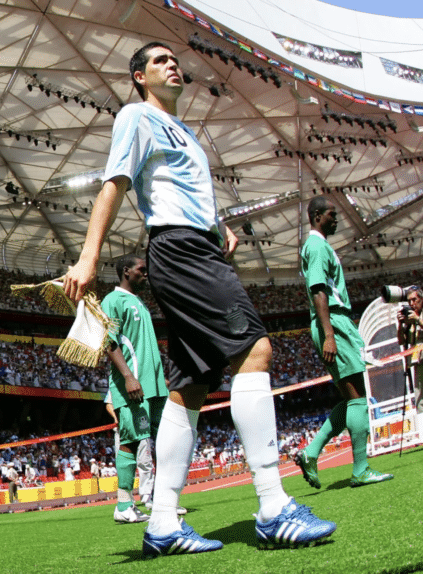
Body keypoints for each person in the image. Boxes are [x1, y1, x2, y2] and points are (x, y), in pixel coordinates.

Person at [62, 42, 335, 555]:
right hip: (180, 249)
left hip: (196, 242)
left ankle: (163, 521)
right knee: (255, 349)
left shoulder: (184, 132)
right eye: (160, 60)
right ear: (139, 76)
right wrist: (88, 258)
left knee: (189, 388)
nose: (173, 64)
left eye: (174, 59)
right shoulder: (136, 115)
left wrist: (219, 224)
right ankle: (273, 506)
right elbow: (115, 184)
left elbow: (180, 188)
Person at [294, 197, 394, 488]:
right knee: (357, 397)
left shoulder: (319, 246)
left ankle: (310, 453)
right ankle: (360, 469)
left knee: (349, 398)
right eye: (331, 214)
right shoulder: (315, 246)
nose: (336, 219)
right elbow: (319, 292)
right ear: (316, 216)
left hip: (334, 324)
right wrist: (329, 335)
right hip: (333, 324)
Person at [101, 255, 171, 523]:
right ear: (126, 271)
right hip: (133, 386)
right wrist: (129, 377)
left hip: (153, 387)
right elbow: (109, 341)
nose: (146, 274)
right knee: (131, 441)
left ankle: (163, 502)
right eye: (142, 270)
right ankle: (123, 506)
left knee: (163, 440)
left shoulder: (138, 302)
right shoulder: (113, 300)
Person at [396, 286, 422, 414]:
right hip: (418, 363)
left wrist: (418, 319)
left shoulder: (417, 317)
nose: (412, 304)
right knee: (420, 401)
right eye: (409, 301)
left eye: (414, 300)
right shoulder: (411, 319)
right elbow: (402, 341)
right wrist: (400, 325)